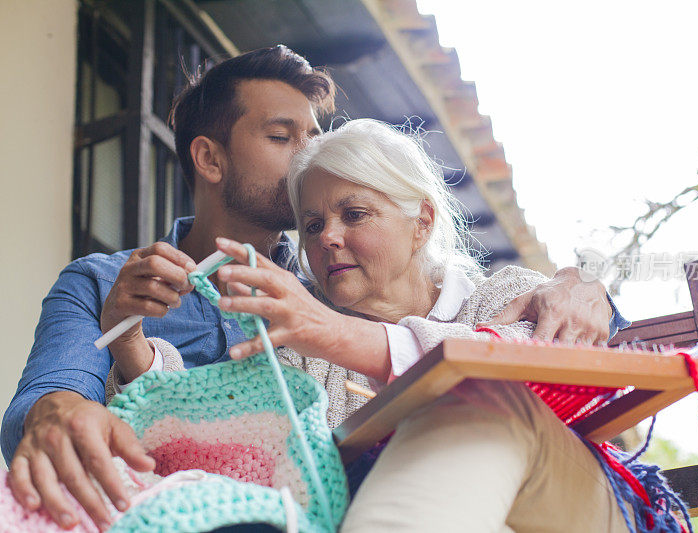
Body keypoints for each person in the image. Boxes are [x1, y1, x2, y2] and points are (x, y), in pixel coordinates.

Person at [2, 47, 628, 531]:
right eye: (284, 137)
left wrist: (588, 289)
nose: (312, 151)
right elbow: (52, 405)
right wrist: (96, 368)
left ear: (421, 221)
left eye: (317, 135)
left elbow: (553, 333)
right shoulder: (106, 283)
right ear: (210, 159)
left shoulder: (337, 294)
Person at [114, 118, 632, 531]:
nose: (327, 239)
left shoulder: (503, 296)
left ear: (422, 223)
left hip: (559, 508)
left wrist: (338, 336)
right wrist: (128, 335)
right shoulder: (299, 356)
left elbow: (522, 365)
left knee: (480, 400)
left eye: (354, 214)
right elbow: (208, 425)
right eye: (312, 225)